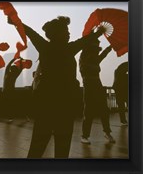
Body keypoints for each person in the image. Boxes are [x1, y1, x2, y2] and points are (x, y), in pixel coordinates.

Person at [10, 16, 105, 158]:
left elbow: (29, 32)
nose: (68, 33)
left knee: (38, 145)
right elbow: (85, 41)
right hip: (65, 104)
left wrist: (16, 22)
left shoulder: (45, 47)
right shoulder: (69, 49)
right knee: (63, 145)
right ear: (57, 33)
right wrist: (98, 33)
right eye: (65, 30)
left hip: (46, 103)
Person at [79, 39, 114, 144]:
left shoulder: (95, 58)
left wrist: (109, 48)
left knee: (104, 109)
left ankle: (107, 132)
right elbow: (84, 69)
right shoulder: (84, 58)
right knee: (88, 110)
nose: (97, 51)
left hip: (98, 84)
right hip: (89, 84)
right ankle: (84, 135)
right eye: (95, 49)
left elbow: (102, 55)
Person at [2, 57, 23, 123]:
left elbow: (8, 65)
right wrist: (21, 61)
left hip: (6, 91)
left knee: (8, 105)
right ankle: (11, 116)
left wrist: (15, 59)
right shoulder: (15, 75)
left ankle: (10, 116)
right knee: (11, 104)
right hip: (11, 91)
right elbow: (21, 68)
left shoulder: (7, 73)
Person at [113, 61, 128, 126]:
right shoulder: (123, 75)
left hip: (118, 89)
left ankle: (123, 120)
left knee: (121, 106)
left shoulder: (117, 72)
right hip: (123, 89)